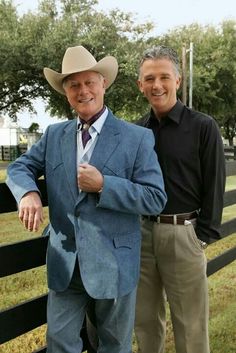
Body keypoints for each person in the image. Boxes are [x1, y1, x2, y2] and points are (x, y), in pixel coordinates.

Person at [6, 45, 167, 353]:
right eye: (74, 85)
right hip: (65, 264)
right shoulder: (54, 135)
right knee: (60, 343)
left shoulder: (137, 138)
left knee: (114, 346)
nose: (83, 91)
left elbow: (155, 198)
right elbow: (20, 166)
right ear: (66, 92)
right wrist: (27, 192)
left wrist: (105, 185)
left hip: (115, 265)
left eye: (89, 82)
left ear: (102, 83)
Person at [134, 45, 226, 353]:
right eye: (149, 78)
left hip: (183, 234)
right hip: (142, 236)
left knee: (191, 326)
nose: (156, 85)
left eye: (164, 77)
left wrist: (201, 238)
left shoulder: (203, 127)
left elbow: (215, 184)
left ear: (178, 79)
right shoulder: (136, 131)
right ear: (140, 85)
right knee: (145, 322)